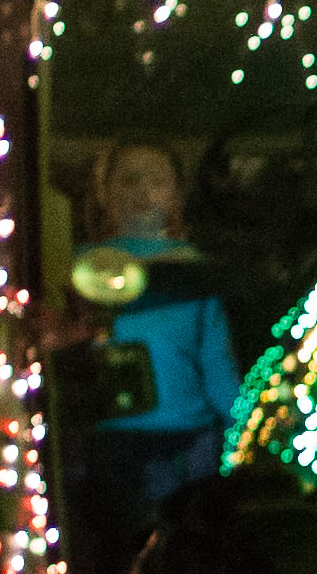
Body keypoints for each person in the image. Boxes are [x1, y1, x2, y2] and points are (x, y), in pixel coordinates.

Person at [66, 138, 245, 536]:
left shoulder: (199, 271)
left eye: (156, 180)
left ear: (176, 196)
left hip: (189, 446)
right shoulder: (75, 268)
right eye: (129, 181)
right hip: (110, 448)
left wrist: (245, 427)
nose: (142, 191)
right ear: (106, 194)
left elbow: (218, 366)